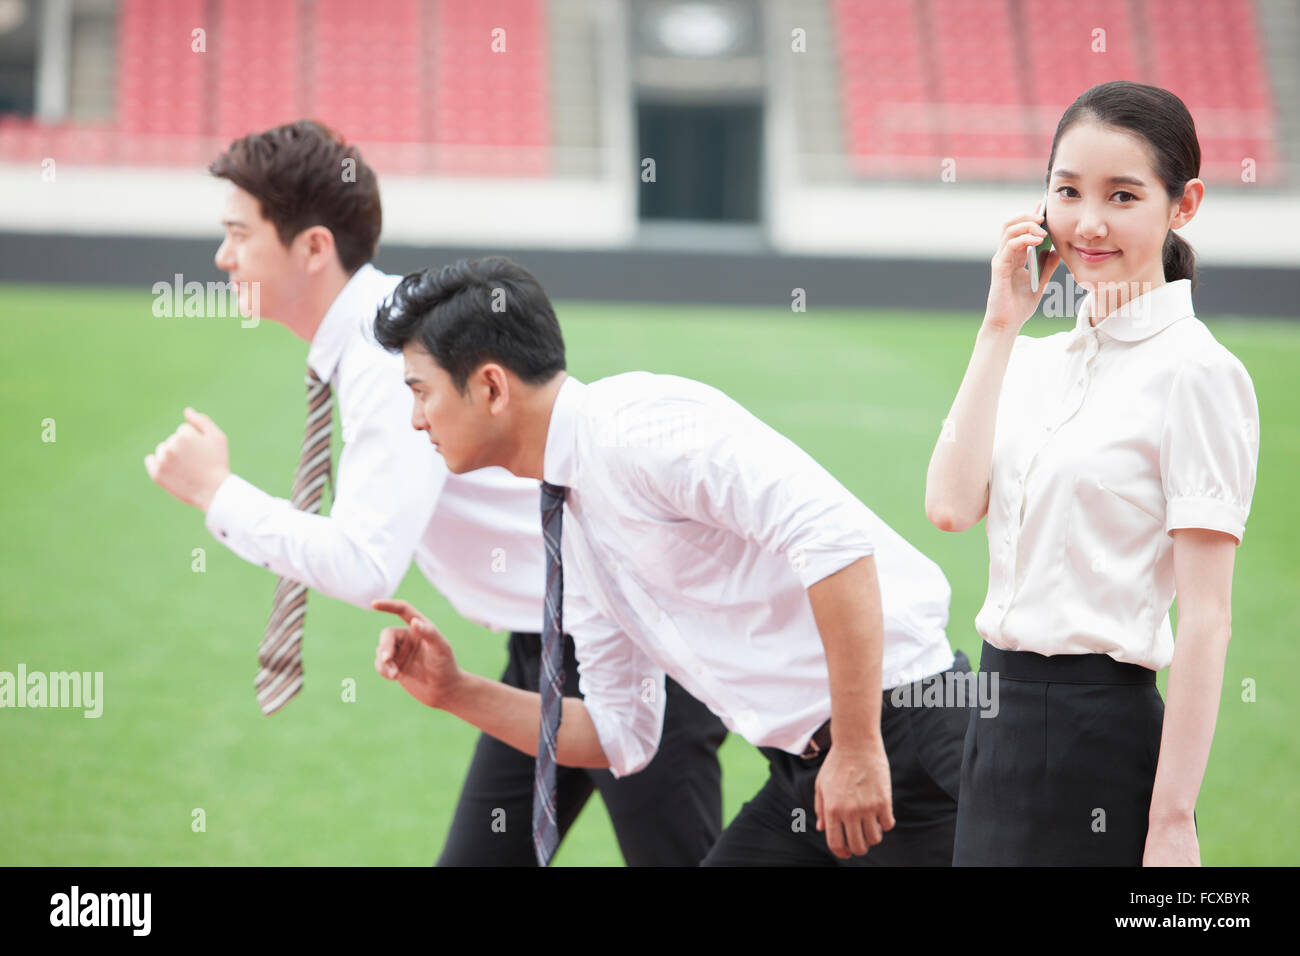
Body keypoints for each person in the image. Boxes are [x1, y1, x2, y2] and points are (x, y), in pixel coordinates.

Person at [142, 120, 727, 866]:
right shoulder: (378, 345)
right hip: (545, 642)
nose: (222, 257)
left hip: (632, 640)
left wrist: (217, 495)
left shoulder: (390, 359)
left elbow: (364, 564)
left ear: (313, 246)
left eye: (238, 234)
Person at [368, 256, 975, 866]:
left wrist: (859, 748)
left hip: (907, 746)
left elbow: (834, 540)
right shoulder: (569, 519)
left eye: (422, 391)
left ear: (492, 387)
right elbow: (619, 734)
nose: (416, 419)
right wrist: (452, 691)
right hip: (810, 774)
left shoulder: (638, 431)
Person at [924, 81, 1260, 866]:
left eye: (1123, 195)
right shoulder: (1034, 360)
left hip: (1100, 740)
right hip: (995, 724)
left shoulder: (1199, 374)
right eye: (1067, 191)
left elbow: (1209, 619)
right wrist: (999, 325)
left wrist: (1172, 821)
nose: (1089, 222)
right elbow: (947, 505)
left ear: (1184, 204)